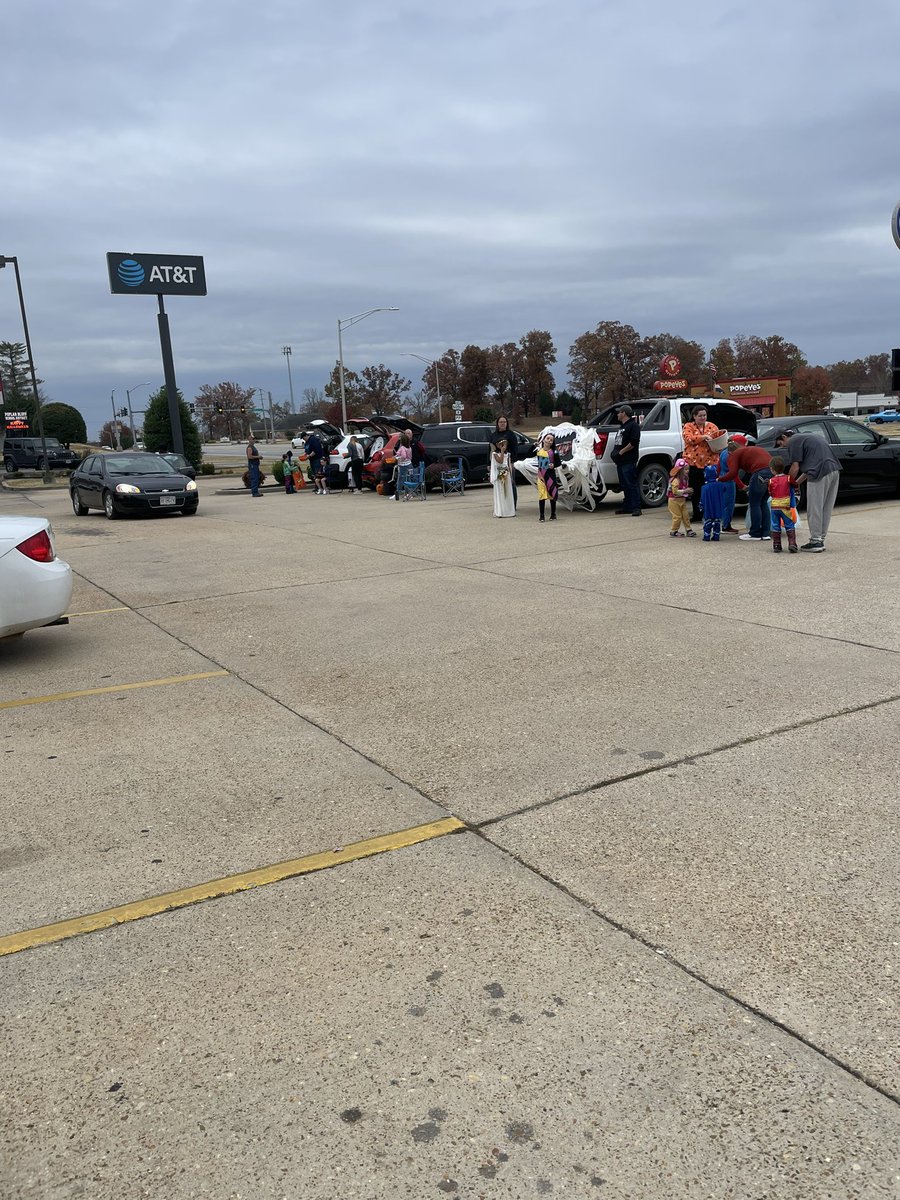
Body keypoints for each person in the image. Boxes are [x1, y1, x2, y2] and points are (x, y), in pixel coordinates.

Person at [774, 427, 841, 553]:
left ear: (784, 437)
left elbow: (795, 466)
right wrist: (797, 483)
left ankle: (815, 541)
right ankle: (820, 539)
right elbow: (809, 467)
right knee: (825, 508)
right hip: (834, 471)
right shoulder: (807, 437)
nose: (782, 447)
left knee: (814, 508)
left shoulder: (793, 442)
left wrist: (785, 484)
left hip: (819, 474)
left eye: (781, 444)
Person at [717, 437, 773, 541]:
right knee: (763, 502)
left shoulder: (734, 454)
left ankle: (755, 533)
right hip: (771, 472)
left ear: (730, 451)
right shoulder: (750, 449)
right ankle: (766, 533)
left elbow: (732, 473)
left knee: (755, 503)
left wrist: (719, 479)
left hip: (759, 473)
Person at [682, 406, 722, 522]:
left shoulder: (712, 426)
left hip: (711, 464)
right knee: (696, 490)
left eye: (704, 415)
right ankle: (697, 514)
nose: (703, 417)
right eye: (700, 416)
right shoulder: (688, 426)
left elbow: (718, 438)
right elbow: (689, 439)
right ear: (694, 416)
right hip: (694, 464)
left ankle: (711, 513)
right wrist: (704, 437)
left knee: (710, 490)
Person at [610, 404, 642, 515]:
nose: (618, 414)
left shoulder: (633, 426)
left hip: (628, 460)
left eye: (619, 412)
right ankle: (627, 506)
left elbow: (634, 442)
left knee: (631, 484)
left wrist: (621, 452)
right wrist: (615, 454)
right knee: (624, 485)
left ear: (624, 413)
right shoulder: (622, 427)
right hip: (620, 461)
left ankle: (636, 507)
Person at [767, 456, 798, 554]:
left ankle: (777, 545)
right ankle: (792, 543)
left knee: (775, 525)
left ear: (772, 470)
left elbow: (770, 492)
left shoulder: (771, 481)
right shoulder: (788, 478)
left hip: (775, 506)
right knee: (789, 524)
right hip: (786, 506)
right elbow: (795, 484)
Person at [718, 434, 746, 534]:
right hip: (729, 482)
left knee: (723, 503)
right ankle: (726, 526)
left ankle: (722, 524)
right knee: (729, 505)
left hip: (721, 480)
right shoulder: (731, 456)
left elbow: (718, 467)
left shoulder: (723, 453)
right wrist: (742, 486)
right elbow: (734, 474)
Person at [491, 415, 518, 509]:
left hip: (508, 462)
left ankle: (512, 505)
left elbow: (515, 448)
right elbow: (490, 449)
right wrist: (488, 463)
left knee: (511, 483)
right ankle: (502, 505)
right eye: (500, 422)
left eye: (504, 422)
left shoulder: (510, 434)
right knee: (500, 483)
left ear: (507, 423)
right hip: (497, 462)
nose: (502, 424)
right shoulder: (494, 435)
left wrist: (513, 462)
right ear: (497, 424)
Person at [667, 457, 695, 537]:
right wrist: (685, 491)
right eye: (685, 469)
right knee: (677, 516)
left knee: (685, 515)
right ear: (680, 470)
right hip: (674, 500)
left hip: (681, 500)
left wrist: (687, 493)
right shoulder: (675, 480)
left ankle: (688, 529)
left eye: (688, 469)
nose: (687, 471)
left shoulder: (684, 479)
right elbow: (674, 491)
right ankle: (674, 530)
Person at [535, 433, 560, 522]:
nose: (549, 441)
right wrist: (535, 445)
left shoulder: (553, 452)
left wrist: (553, 465)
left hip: (550, 476)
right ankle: (542, 516)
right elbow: (529, 453)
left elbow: (559, 462)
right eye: (547, 438)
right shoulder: (538, 450)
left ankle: (553, 514)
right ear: (544, 439)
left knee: (552, 494)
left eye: (551, 440)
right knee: (542, 495)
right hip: (541, 475)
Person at [490, 437, 516, 517]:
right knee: (501, 492)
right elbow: (500, 461)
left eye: (504, 444)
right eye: (500, 444)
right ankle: (501, 511)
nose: (503, 446)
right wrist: (501, 451)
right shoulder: (494, 454)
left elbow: (508, 464)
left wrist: (511, 476)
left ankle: (509, 511)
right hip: (499, 474)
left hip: (506, 474)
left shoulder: (508, 454)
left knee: (508, 492)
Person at [699, 465, 726, 541]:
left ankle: (706, 536)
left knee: (708, 522)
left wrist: (701, 505)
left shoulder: (704, 487)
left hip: (708, 508)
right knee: (717, 522)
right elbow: (724, 489)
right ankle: (716, 536)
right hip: (718, 508)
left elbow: (702, 498)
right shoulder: (720, 485)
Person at [305, 428, 328, 494]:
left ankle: (320, 487)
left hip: (317, 459)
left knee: (318, 472)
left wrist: (309, 456)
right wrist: (305, 455)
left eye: (304, 438)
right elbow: (307, 450)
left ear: (306, 436)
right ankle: (317, 487)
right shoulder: (307, 442)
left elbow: (316, 450)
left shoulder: (313, 440)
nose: (304, 440)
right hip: (312, 460)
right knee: (314, 474)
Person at [394, 432, 412, 499]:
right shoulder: (409, 448)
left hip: (403, 465)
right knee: (408, 479)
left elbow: (403, 456)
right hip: (409, 464)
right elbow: (410, 457)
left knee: (400, 479)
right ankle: (408, 494)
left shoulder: (402, 448)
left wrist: (398, 458)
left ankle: (397, 494)